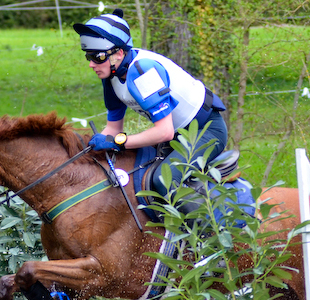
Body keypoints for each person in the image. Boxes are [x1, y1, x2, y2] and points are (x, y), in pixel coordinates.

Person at [73, 9, 228, 200]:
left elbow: (164, 132)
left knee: (164, 180)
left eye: (99, 57)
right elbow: (113, 128)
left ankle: (202, 230)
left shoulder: (142, 70)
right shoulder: (110, 77)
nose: (92, 64)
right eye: (89, 57)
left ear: (119, 53)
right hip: (178, 135)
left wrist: (118, 142)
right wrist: (85, 153)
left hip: (206, 131)